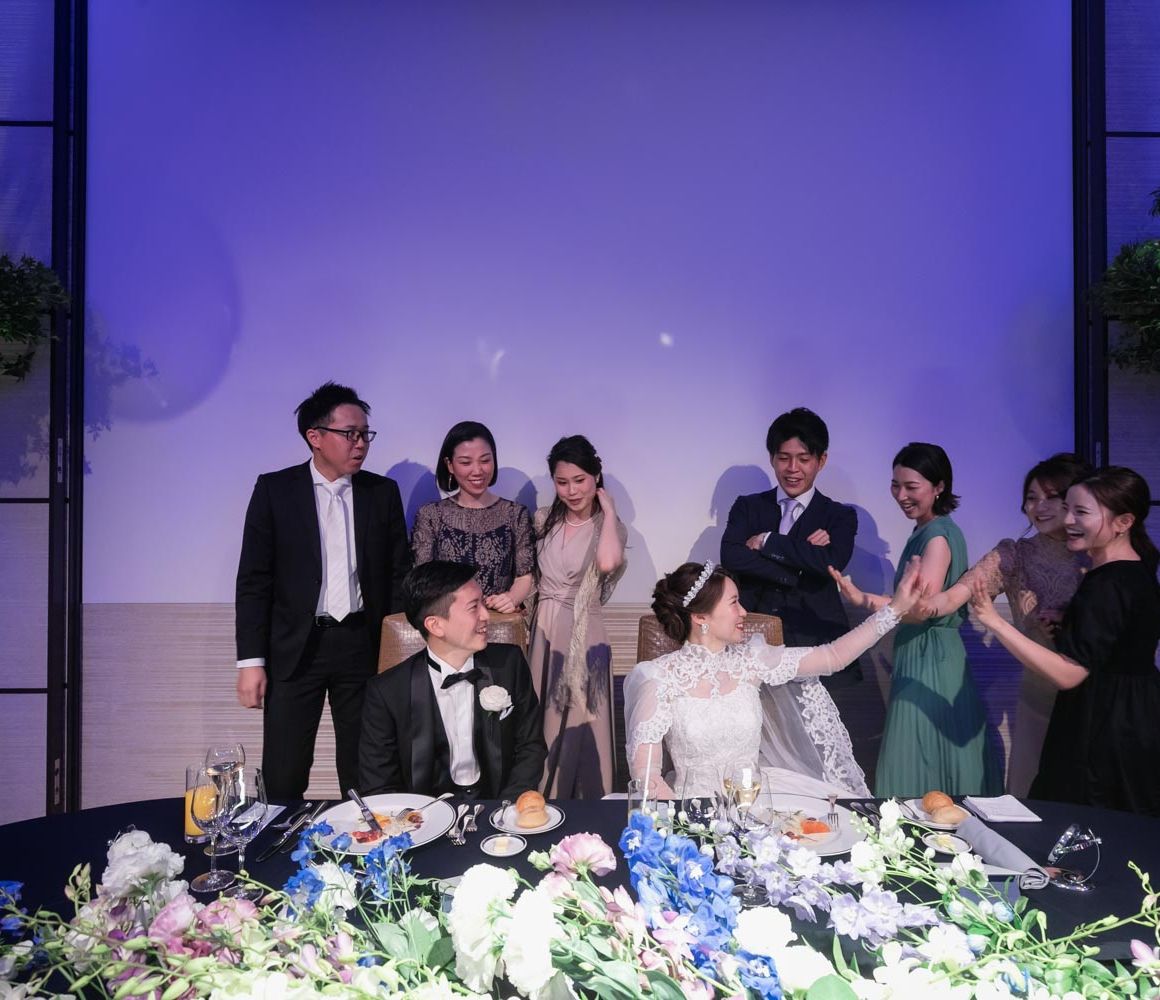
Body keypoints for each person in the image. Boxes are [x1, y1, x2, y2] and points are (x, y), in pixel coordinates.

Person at [235, 382, 411, 800]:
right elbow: (254, 581)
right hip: (297, 647)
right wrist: (251, 662)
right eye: (350, 433)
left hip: (361, 644)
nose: (360, 443)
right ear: (315, 436)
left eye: (365, 433)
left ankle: (364, 837)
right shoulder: (275, 491)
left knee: (365, 768)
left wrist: (395, 653)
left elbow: (398, 575)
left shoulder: (381, 493)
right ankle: (277, 837)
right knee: (284, 771)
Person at [623, 559, 925, 798]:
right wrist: (687, 829)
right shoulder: (658, 678)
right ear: (700, 617)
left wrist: (895, 610)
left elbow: (833, 656)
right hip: (695, 811)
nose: (744, 612)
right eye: (734, 602)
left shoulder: (751, 661)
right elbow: (647, 778)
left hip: (756, 800)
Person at [969, 467, 1160, 816]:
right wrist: (1071, 619)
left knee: (1085, 825)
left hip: (1103, 726)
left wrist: (993, 620)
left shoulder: (1107, 583)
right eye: (1068, 508)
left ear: (1123, 522)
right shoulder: (1132, 570)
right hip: (1133, 715)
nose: (1068, 520)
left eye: (1081, 512)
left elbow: (1069, 674)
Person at [912, 453, 1092, 794]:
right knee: (1033, 786)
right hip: (1039, 691)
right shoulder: (1014, 554)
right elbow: (958, 593)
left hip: (1094, 691)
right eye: (1031, 498)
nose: (1038, 507)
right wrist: (924, 605)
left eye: (1051, 496)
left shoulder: (1096, 554)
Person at [830, 442, 1000, 798]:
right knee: (926, 752)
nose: (901, 495)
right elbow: (907, 604)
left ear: (939, 487)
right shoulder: (928, 530)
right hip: (923, 650)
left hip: (930, 656)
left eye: (911, 486)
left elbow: (919, 609)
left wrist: (867, 602)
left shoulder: (936, 537)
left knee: (918, 752)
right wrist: (863, 599)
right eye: (896, 485)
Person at [358, 561, 547, 799]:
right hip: (423, 814)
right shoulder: (387, 691)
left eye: (483, 603)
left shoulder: (509, 664)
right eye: (473, 607)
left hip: (497, 808)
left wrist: (505, 809)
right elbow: (379, 783)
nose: (486, 615)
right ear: (435, 625)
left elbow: (531, 747)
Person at [720, 408, 861, 691]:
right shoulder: (748, 506)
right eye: (784, 458)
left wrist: (767, 541)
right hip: (751, 639)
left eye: (804, 459)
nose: (792, 468)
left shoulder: (839, 516)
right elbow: (731, 555)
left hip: (814, 639)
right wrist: (801, 564)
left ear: (821, 461)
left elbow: (831, 563)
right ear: (772, 458)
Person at [528, 435, 626, 798]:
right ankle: (543, 801)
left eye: (580, 480)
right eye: (562, 482)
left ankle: (588, 807)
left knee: (584, 723)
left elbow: (608, 563)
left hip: (585, 631)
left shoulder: (609, 526)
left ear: (596, 476)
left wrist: (609, 511)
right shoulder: (542, 519)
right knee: (545, 720)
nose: (571, 491)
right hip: (544, 628)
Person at [411, 420, 535, 612]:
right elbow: (424, 578)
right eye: (465, 462)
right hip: (449, 621)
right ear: (449, 465)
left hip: (498, 619)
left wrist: (511, 598)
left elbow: (524, 575)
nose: (477, 471)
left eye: (485, 460)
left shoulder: (515, 514)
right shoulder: (431, 516)